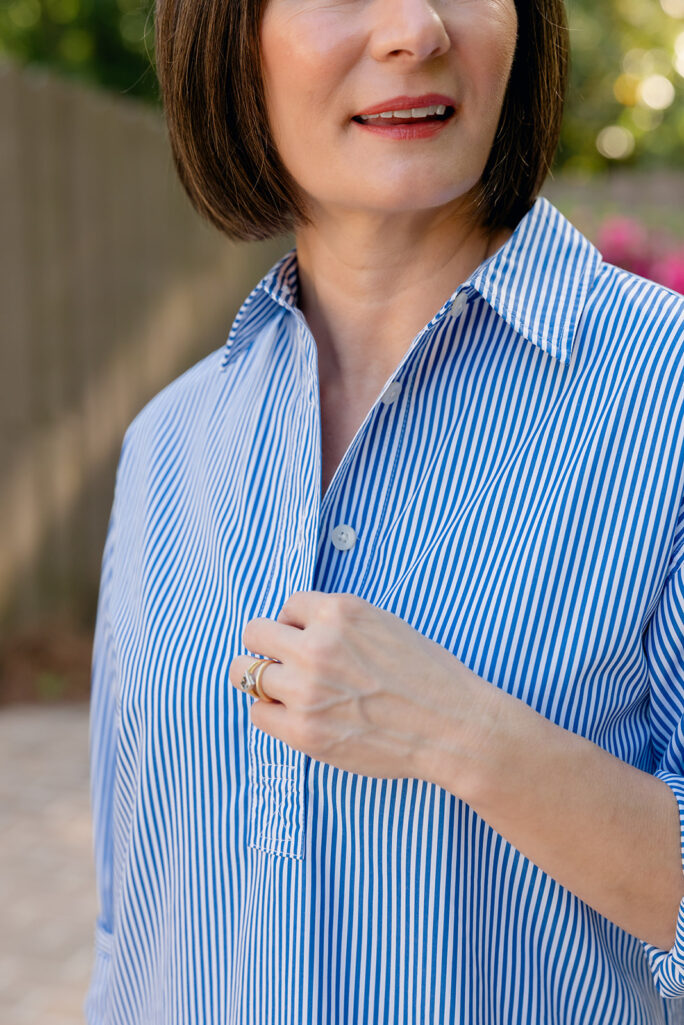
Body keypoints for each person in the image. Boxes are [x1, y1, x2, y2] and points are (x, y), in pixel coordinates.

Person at [85, 0, 684, 1021]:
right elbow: (131, 925)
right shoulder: (166, 443)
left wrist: (465, 734)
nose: (416, 28)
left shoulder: (666, 399)